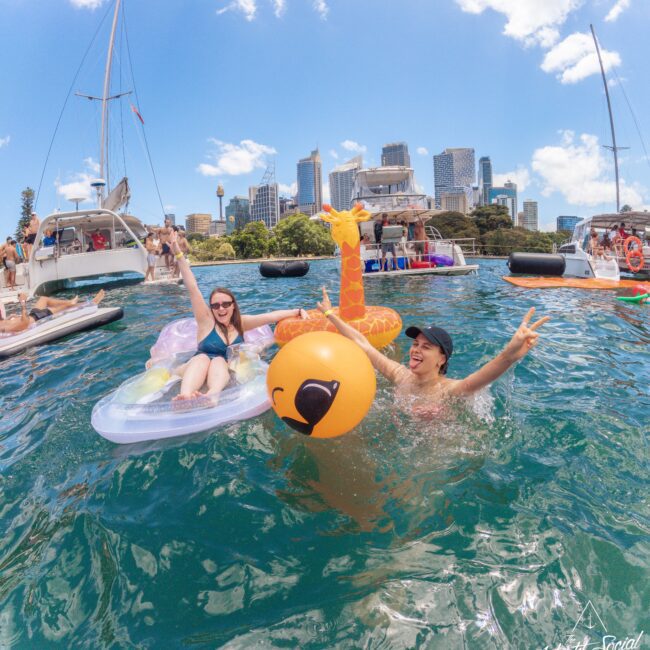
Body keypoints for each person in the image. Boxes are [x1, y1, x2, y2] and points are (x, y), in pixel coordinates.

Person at [315, 286, 549, 408]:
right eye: (415, 344)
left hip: (435, 458)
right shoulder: (400, 376)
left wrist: (509, 354)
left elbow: (482, 377)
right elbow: (363, 345)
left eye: (426, 347)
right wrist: (329, 314)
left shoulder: (450, 391)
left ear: (442, 359)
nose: (416, 349)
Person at [168, 230, 310, 403]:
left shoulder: (240, 323)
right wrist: (178, 254)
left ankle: (213, 395)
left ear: (233, 305)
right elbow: (192, 287)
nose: (221, 309)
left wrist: (296, 311)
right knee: (204, 358)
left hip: (220, 371)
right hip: (194, 366)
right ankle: (185, 395)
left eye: (226, 304)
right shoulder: (206, 321)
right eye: (216, 305)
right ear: (211, 308)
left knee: (220, 361)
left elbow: (270, 316)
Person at [0, 290, 105, 334]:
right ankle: (92, 303)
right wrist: (22, 302)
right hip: (37, 318)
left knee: (43, 299)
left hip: (34, 314)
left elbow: (10, 322)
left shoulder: (2, 322)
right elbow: (24, 324)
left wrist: (10, 317)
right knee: (64, 307)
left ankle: (70, 302)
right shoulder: (2, 328)